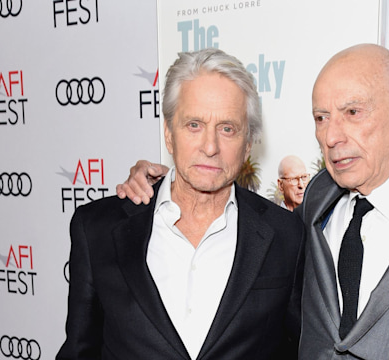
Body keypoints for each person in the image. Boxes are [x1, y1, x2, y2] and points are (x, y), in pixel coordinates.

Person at [118, 44, 389, 359]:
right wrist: (156, 182)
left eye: (352, 112)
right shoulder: (316, 198)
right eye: (321, 117)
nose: (331, 136)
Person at [58, 48, 304, 360]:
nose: (210, 147)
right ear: (169, 134)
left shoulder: (287, 235)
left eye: (227, 128)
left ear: (247, 144)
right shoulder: (97, 229)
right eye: (194, 125)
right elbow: (79, 352)